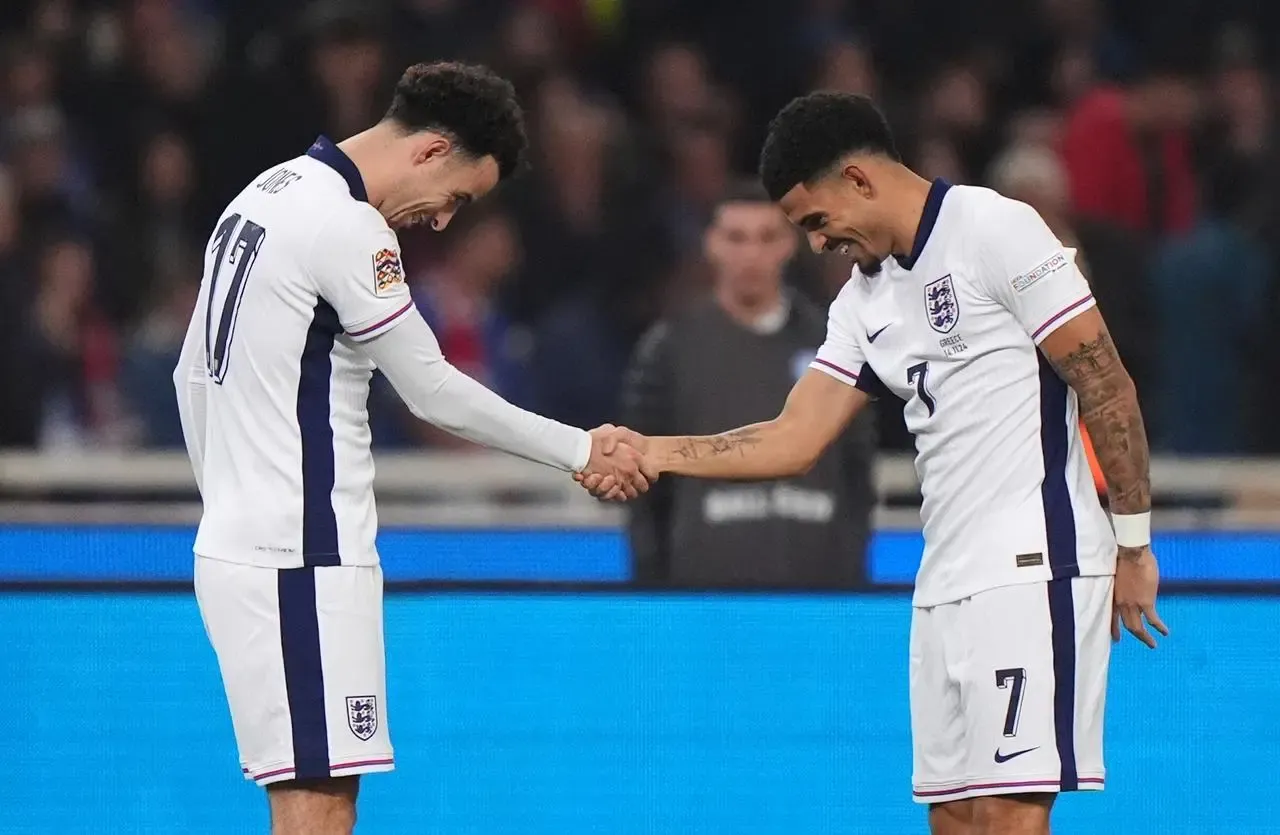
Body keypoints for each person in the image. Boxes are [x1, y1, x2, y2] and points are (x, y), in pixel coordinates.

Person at [581, 92, 1166, 835]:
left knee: (1011, 810)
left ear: (857, 179)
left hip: (1034, 560)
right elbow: (795, 436)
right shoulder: (864, 299)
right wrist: (652, 450)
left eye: (816, 221)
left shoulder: (997, 229)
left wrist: (1133, 541)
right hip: (944, 577)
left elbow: (1105, 381)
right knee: (953, 814)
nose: (819, 244)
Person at [172, 62, 648, 835]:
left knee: (310, 798)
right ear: (431, 150)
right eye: (458, 195)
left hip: (247, 543)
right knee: (319, 807)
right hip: (303, 554)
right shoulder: (347, 224)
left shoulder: (262, 194)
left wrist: (231, 500)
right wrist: (579, 448)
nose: (444, 220)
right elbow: (431, 388)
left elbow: (190, 373)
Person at [622, 180, 876, 587]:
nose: (752, 254)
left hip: (818, 594)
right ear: (711, 244)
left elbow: (857, 475)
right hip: (701, 594)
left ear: (789, 245)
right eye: (737, 238)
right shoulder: (669, 348)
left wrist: (850, 576)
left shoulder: (835, 339)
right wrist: (654, 590)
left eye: (767, 237)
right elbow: (643, 488)